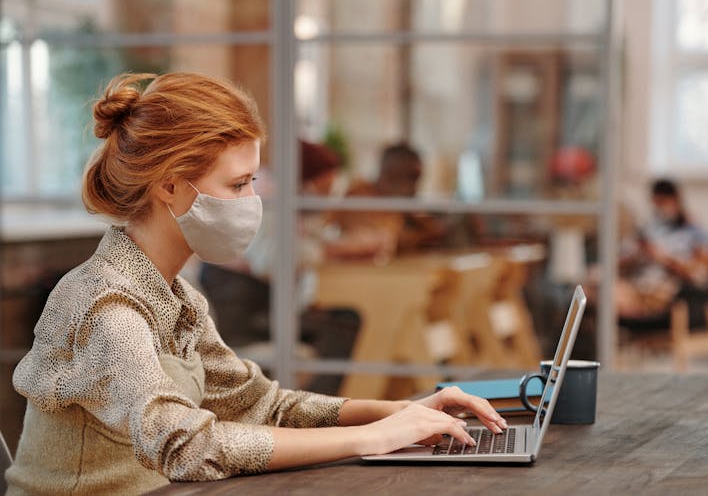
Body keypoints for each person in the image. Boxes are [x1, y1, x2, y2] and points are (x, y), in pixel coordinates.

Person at [5, 72, 506, 495]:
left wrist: (399, 411)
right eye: (239, 184)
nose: (252, 201)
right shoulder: (106, 305)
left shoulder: (177, 298)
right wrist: (369, 439)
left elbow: (262, 405)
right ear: (171, 185)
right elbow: (186, 448)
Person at [200, 140, 359, 395]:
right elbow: (272, 260)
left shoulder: (281, 199)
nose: (328, 193)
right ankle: (321, 415)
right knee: (342, 325)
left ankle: (321, 410)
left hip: (254, 304)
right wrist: (333, 249)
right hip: (242, 316)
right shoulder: (267, 198)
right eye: (324, 185)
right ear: (306, 180)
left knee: (342, 319)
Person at [325, 142, 448, 260]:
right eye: (412, 178)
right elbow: (383, 240)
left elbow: (435, 232)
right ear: (391, 173)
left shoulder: (397, 202)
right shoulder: (360, 197)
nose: (415, 187)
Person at [615, 179, 708, 318]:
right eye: (656, 203)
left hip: (666, 290)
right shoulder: (650, 229)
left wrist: (664, 259)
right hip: (638, 284)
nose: (659, 208)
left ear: (675, 200)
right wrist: (639, 255)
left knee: (614, 301)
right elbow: (621, 263)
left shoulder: (695, 233)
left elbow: (701, 275)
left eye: (662, 202)